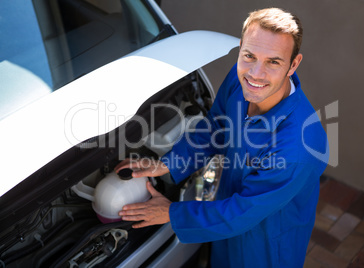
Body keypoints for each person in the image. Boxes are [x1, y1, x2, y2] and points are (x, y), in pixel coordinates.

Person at [115, 7, 328, 267]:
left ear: (293, 65)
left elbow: (243, 213)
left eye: (273, 61)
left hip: (265, 245)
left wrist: (171, 212)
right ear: (241, 49)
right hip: (224, 218)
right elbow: (216, 125)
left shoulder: (298, 146)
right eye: (249, 56)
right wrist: (170, 163)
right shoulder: (242, 79)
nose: (256, 74)